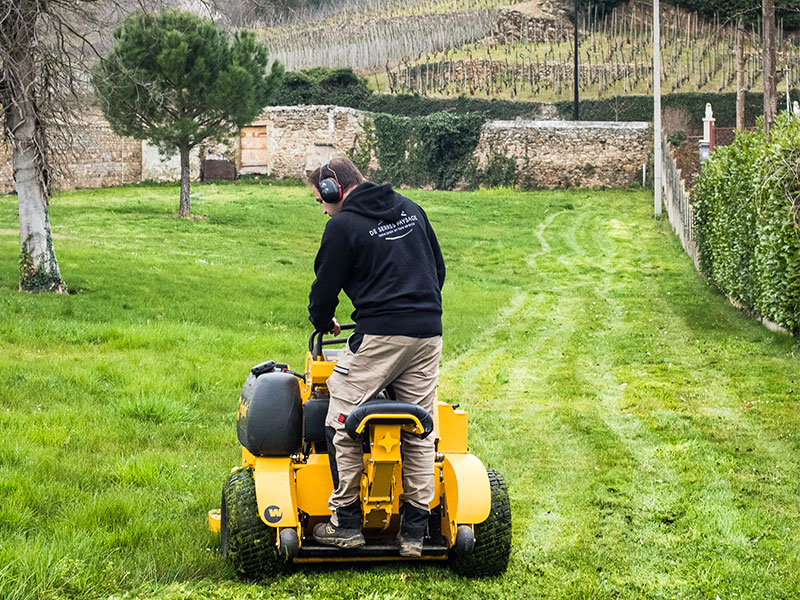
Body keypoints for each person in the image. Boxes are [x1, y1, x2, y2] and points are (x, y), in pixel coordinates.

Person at [307, 157, 445, 557]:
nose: (322, 208)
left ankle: (346, 523)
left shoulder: (341, 227)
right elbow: (438, 270)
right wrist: (416, 310)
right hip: (428, 332)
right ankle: (415, 533)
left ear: (335, 189)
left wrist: (324, 320)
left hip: (382, 336)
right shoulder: (411, 208)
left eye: (321, 199)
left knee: (342, 421)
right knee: (420, 426)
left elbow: (323, 290)